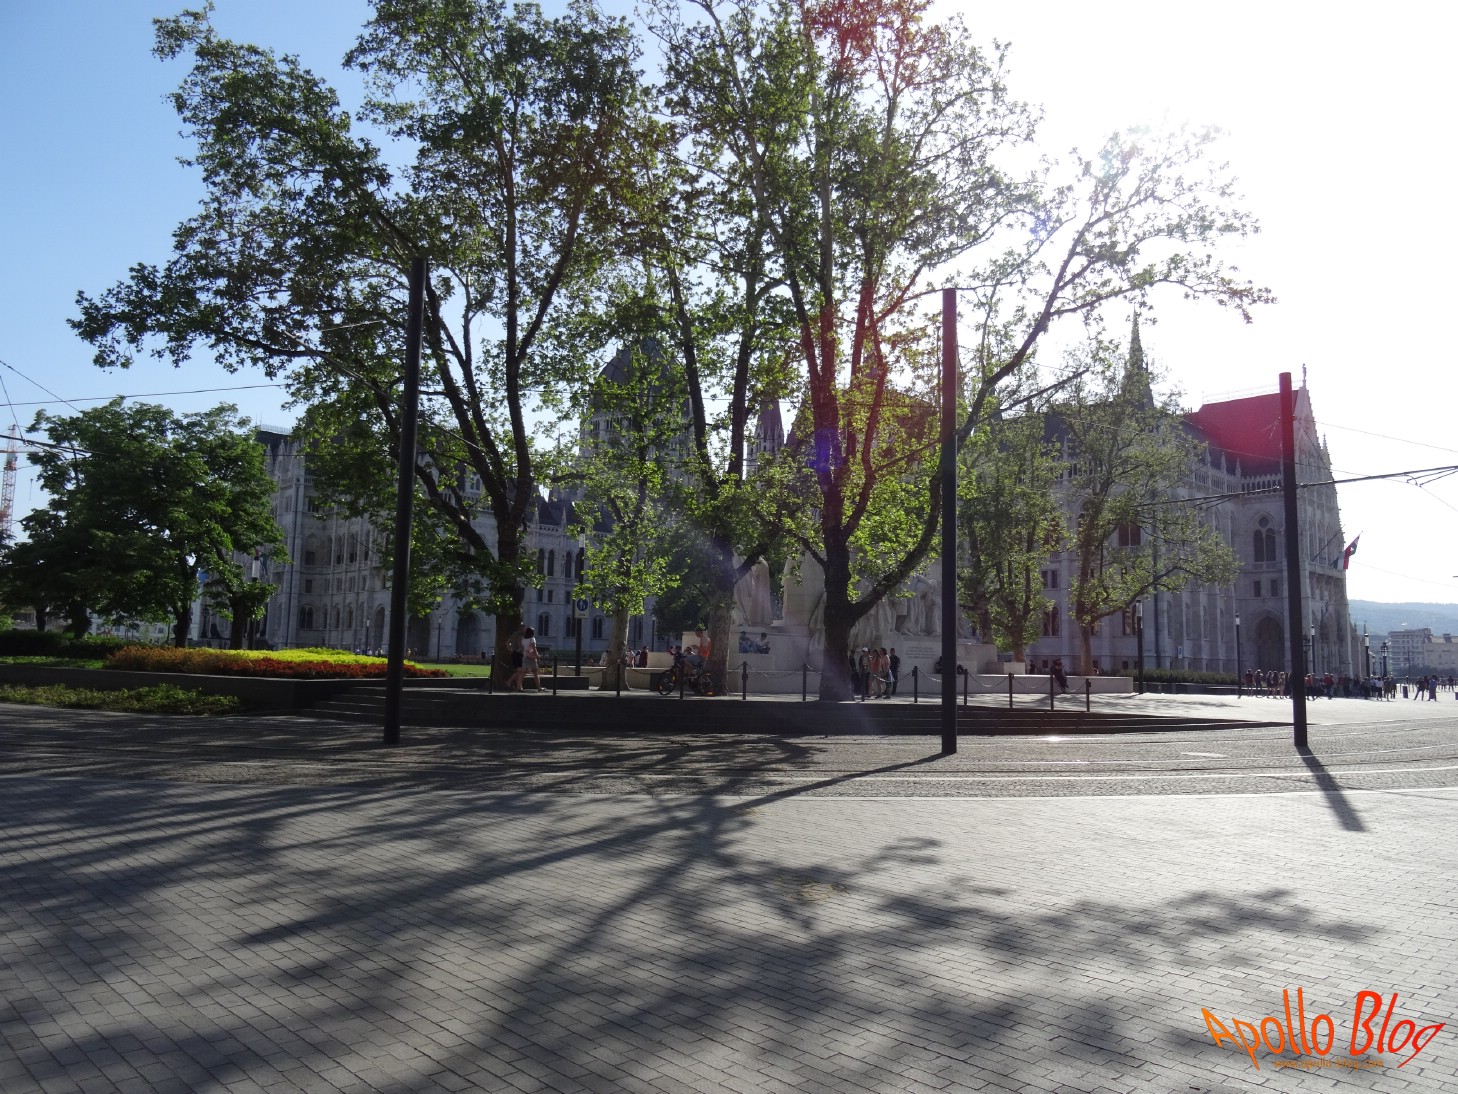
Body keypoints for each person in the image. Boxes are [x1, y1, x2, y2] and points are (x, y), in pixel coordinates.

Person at [505, 623, 527, 691]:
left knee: (518, 670)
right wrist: (521, 650)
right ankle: (509, 681)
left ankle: (519, 687)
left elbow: (507, 642)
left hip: (514, 653)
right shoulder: (520, 635)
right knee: (521, 670)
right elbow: (520, 644)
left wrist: (510, 649)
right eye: (524, 628)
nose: (524, 629)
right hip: (519, 654)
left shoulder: (514, 634)